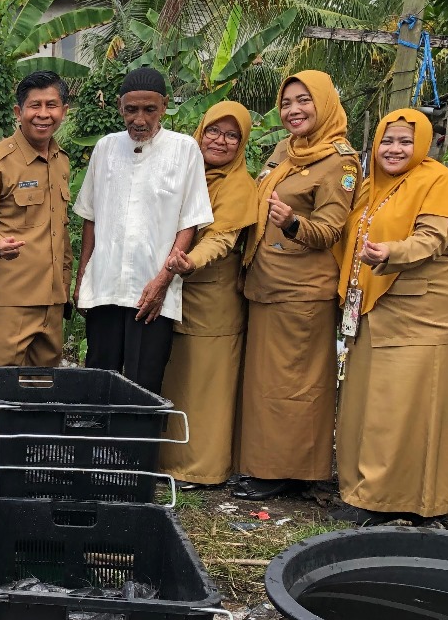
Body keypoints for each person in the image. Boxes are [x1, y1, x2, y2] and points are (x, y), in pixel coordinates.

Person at [333, 108, 448, 523]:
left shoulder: (439, 182)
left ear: (424, 144)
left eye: (405, 142)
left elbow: (432, 239)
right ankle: (363, 489)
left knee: (406, 407)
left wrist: (391, 252)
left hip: (424, 313)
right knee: (365, 403)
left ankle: (400, 501)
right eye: (387, 141)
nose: (394, 150)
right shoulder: (371, 186)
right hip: (376, 305)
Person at [233, 71, 356, 501]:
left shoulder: (340, 161)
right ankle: (266, 464)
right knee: (267, 383)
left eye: (304, 101)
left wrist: (292, 223)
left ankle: (289, 471)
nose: (293, 110)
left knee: (296, 385)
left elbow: (330, 230)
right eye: (286, 103)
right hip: (265, 283)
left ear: (323, 103)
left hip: (303, 290)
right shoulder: (286, 150)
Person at [72, 66, 211, 394]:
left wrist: (163, 281)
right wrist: (82, 280)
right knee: (97, 383)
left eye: (149, 110)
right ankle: (98, 447)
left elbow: (188, 221)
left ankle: (135, 448)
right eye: (131, 109)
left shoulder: (184, 149)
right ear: (120, 106)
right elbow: (90, 217)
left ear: (164, 106)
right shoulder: (105, 148)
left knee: (143, 387)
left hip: (151, 293)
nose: (139, 119)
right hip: (105, 286)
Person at [159, 102, 259, 487]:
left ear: (242, 143)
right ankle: (169, 461)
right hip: (174, 292)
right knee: (178, 378)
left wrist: (188, 261)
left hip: (213, 300)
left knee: (206, 386)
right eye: (213, 131)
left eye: (231, 135)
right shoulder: (186, 173)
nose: (220, 141)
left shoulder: (238, 185)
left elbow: (222, 238)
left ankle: (202, 469)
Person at [0, 70, 72, 367]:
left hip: (52, 301)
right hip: (9, 302)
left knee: (46, 391)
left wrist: (65, 288)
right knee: (3, 391)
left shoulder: (61, 160)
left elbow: (61, 232)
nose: (42, 114)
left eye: (51, 106)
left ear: (63, 111)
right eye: (34, 106)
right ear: (19, 111)